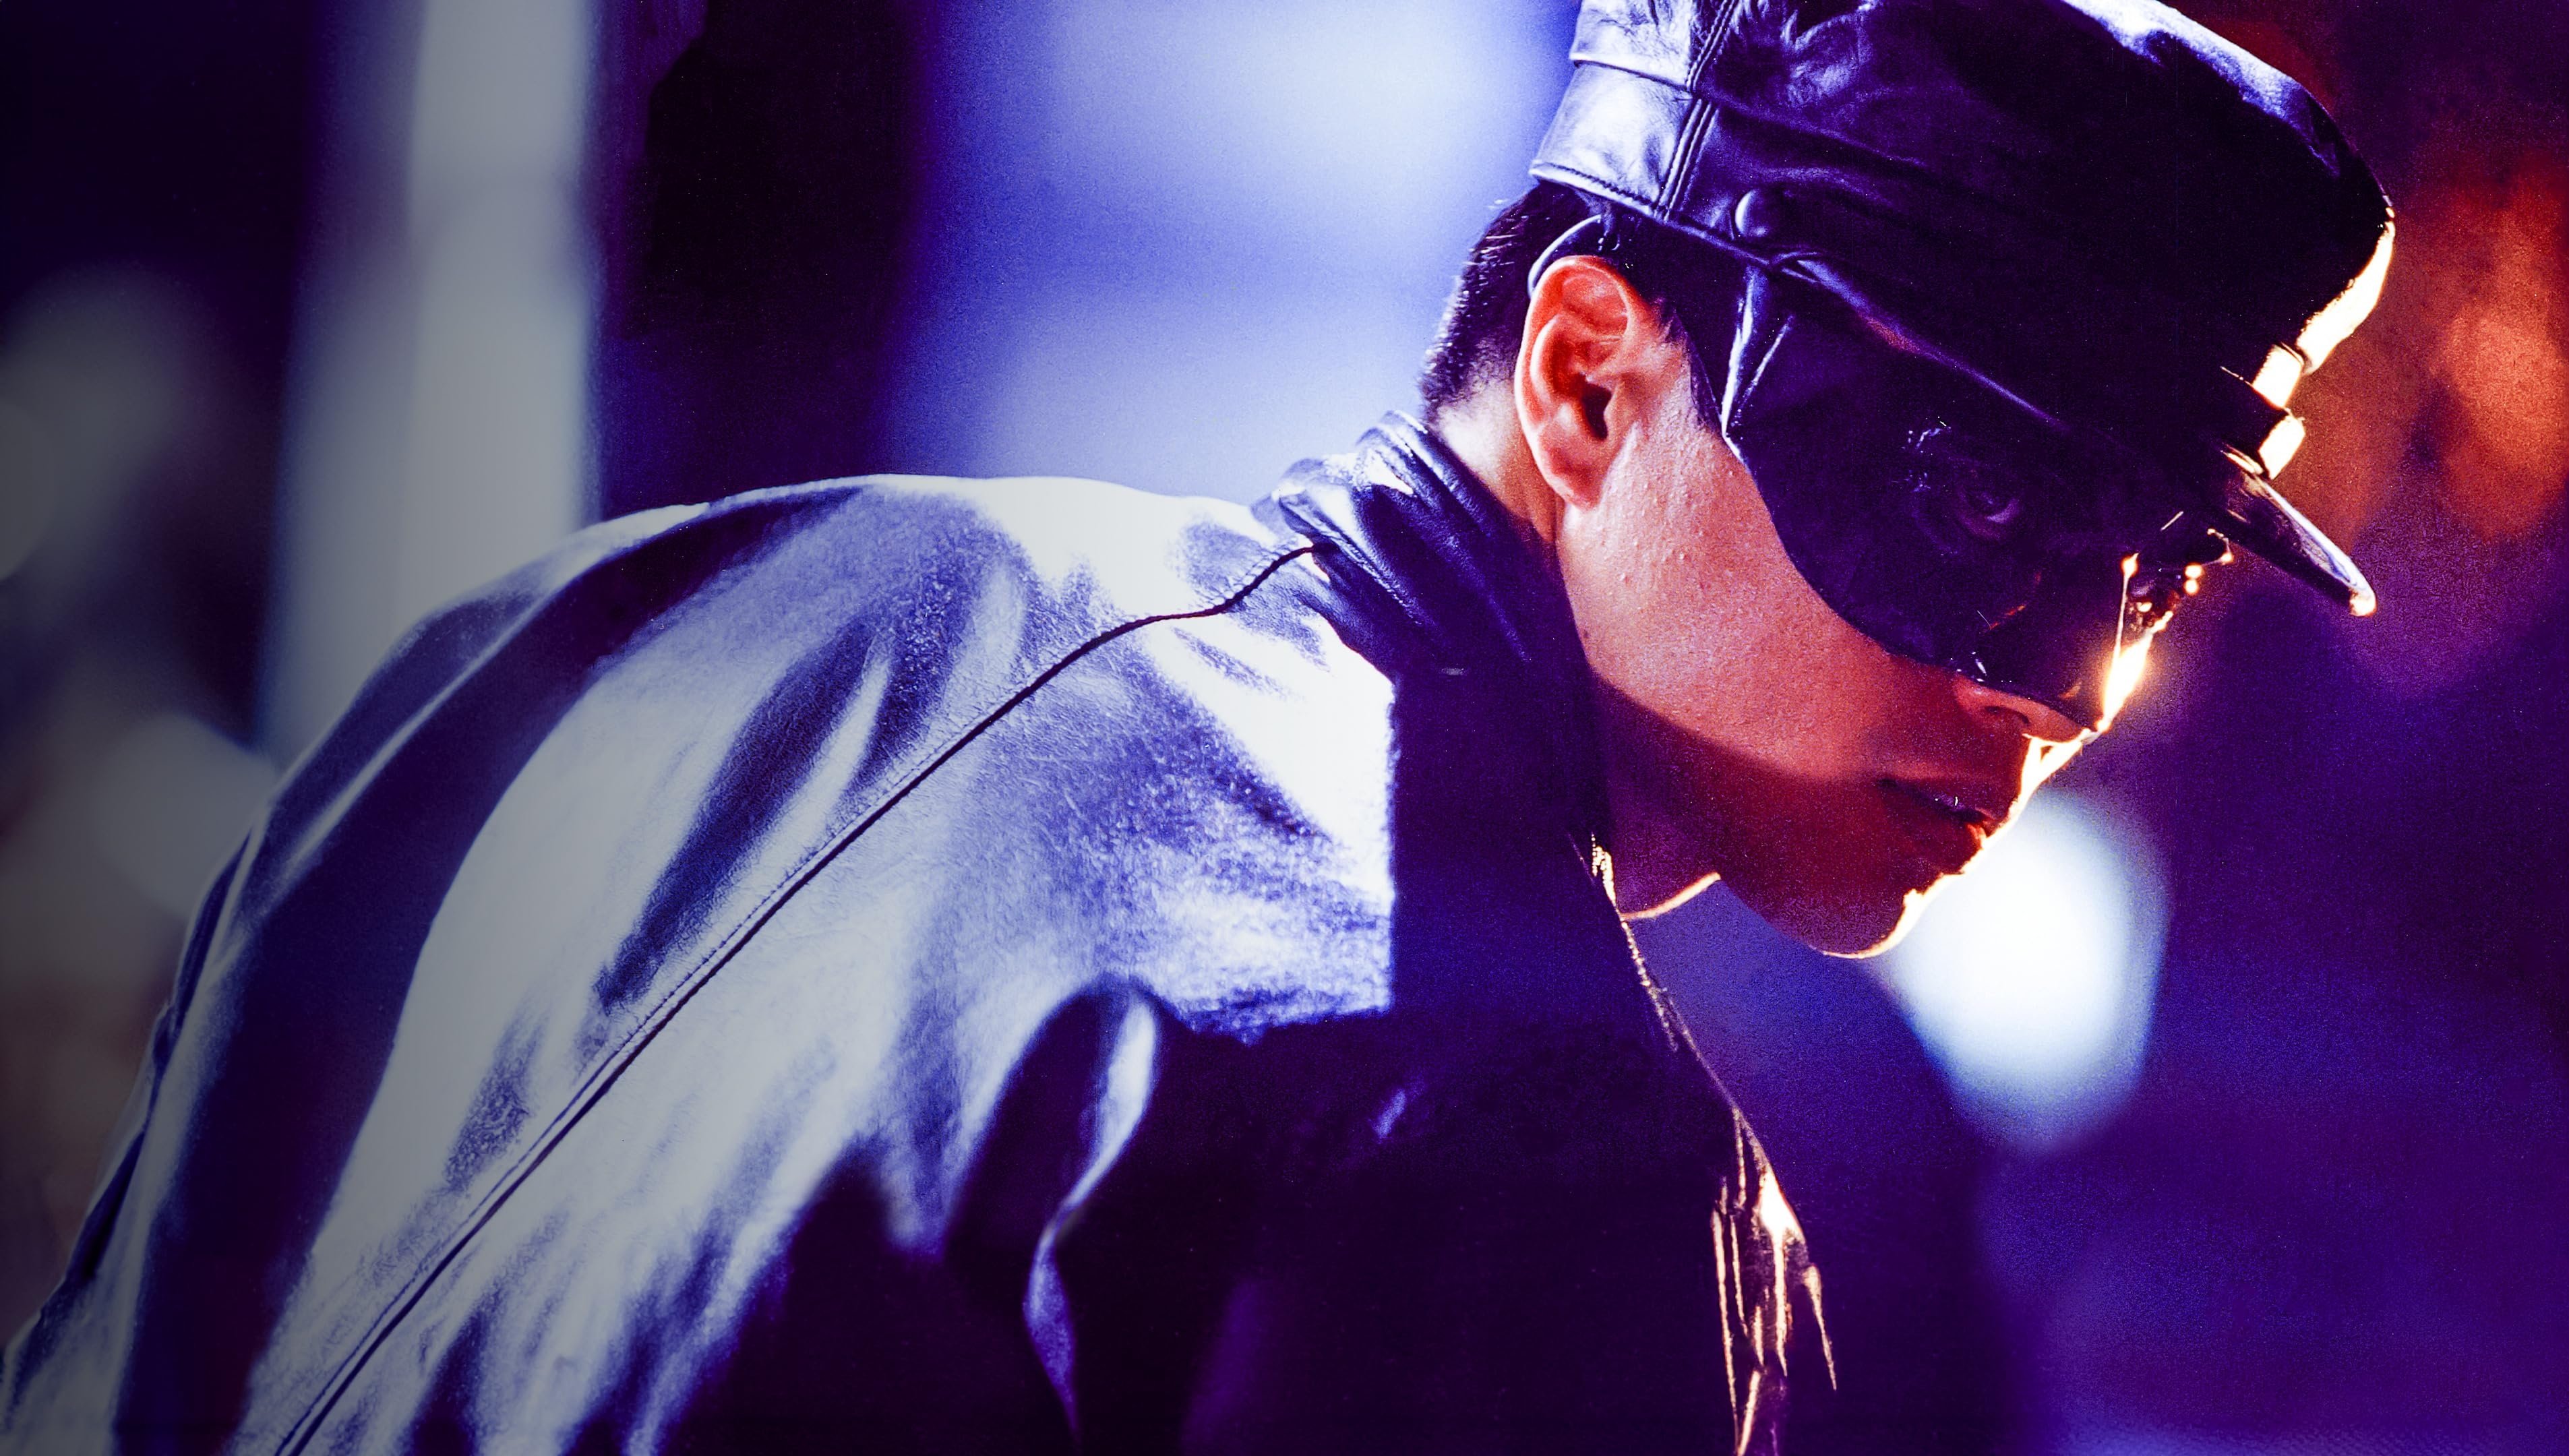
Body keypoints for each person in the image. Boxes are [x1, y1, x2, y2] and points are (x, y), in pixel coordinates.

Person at [1, 0, 2391, 1449]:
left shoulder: (634, 622)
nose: (2076, 684)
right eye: (1981, 495)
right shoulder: (1507, 1132)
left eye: (2162, 570)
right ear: (1589, 374)